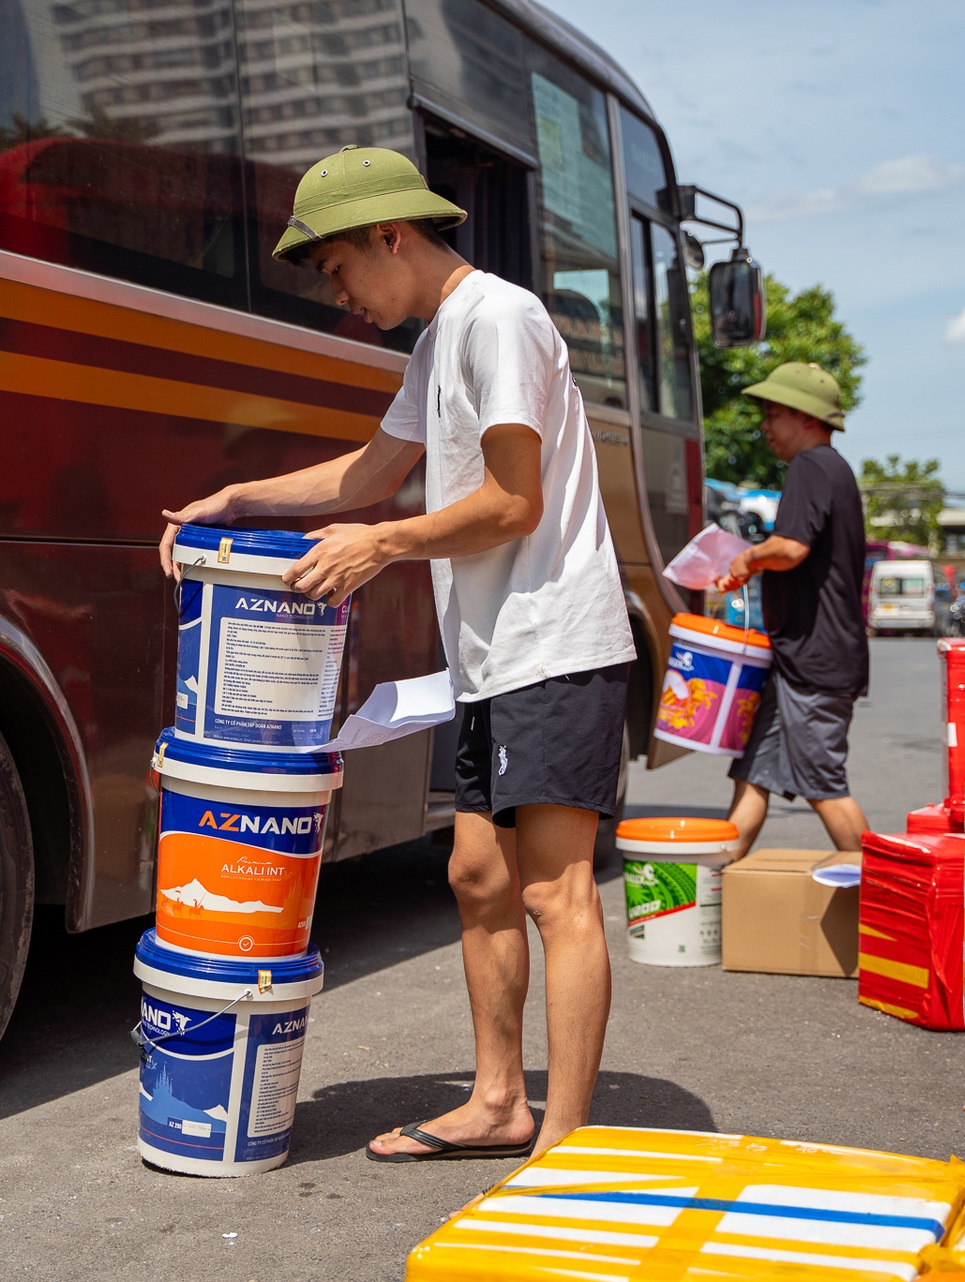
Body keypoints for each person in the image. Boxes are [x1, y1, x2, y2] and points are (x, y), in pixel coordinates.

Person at [158, 146, 635, 1163]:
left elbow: (515, 502)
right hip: (494, 656)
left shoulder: (498, 317)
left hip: (554, 642)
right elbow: (371, 471)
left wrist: (384, 544)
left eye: (337, 269)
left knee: (556, 891)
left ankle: (565, 1141)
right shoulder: (438, 344)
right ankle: (500, 1099)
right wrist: (239, 498)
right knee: (475, 874)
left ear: (391, 235)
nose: (338, 293)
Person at [714, 363, 870, 856]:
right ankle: (715, 889)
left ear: (805, 417)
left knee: (825, 787)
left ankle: (888, 906)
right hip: (798, 661)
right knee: (753, 776)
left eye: (773, 414)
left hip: (815, 662)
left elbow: (790, 549)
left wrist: (747, 557)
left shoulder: (812, 466)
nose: (765, 426)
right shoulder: (831, 469)